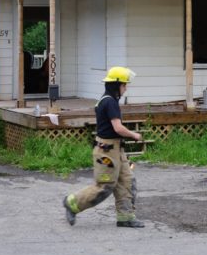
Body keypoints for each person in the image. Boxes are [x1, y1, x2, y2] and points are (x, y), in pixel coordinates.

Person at [62, 67, 145, 228]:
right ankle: (72, 203)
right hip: (106, 152)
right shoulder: (110, 102)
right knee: (104, 187)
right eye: (124, 85)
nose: (125, 88)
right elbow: (118, 128)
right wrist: (134, 135)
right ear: (116, 85)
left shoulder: (106, 100)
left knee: (127, 181)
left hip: (116, 150)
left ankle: (125, 217)